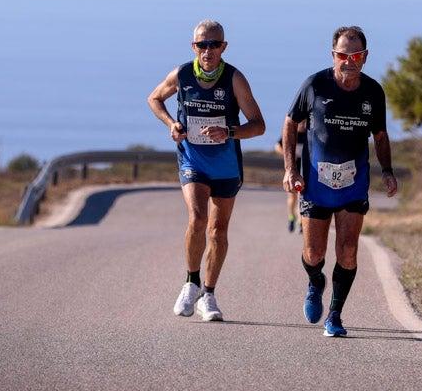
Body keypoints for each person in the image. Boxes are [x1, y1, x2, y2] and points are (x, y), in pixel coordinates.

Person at [282, 25, 397, 337]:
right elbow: (291, 123)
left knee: (347, 249)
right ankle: (315, 281)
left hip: (353, 182)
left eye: (356, 55)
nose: (349, 60)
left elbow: (381, 135)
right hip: (315, 185)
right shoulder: (315, 85)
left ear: (365, 57)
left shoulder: (373, 92)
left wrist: (386, 171)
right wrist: (290, 169)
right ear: (333, 55)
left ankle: (335, 314)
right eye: (343, 55)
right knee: (314, 253)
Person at [148, 19, 266, 322]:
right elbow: (155, 98)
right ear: (194, 47)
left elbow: (259, 125)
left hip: (226, 164)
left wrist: (229, 131)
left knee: (218, 230)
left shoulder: (235, 79)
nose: (208, 51)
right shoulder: (183, 74)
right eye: (202, 45)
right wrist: (171, 124)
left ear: (223, 47)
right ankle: (191, 282)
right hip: (193, 160)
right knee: (198, 217)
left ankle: (209, 294)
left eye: (214, 45)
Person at [274, 123, 306, 233]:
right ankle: (291, 218)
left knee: (301, 197)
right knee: (292, 197)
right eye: (300, 122)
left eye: (304, 122)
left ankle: (300, 222)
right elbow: (277, 147)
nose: (302, 124)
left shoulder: (309, 134)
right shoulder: (292, 134)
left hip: (305, 171)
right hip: (293, 171)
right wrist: (289, 154)